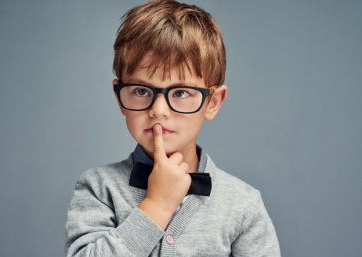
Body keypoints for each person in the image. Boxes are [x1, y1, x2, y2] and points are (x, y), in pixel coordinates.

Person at [65, 1, 281, 256]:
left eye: (180, 92)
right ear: (119, 96)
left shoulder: (245, 204)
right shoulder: (98, 188)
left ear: (212, 102)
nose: (159, 110)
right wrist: (156, 205)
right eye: (142, 90)